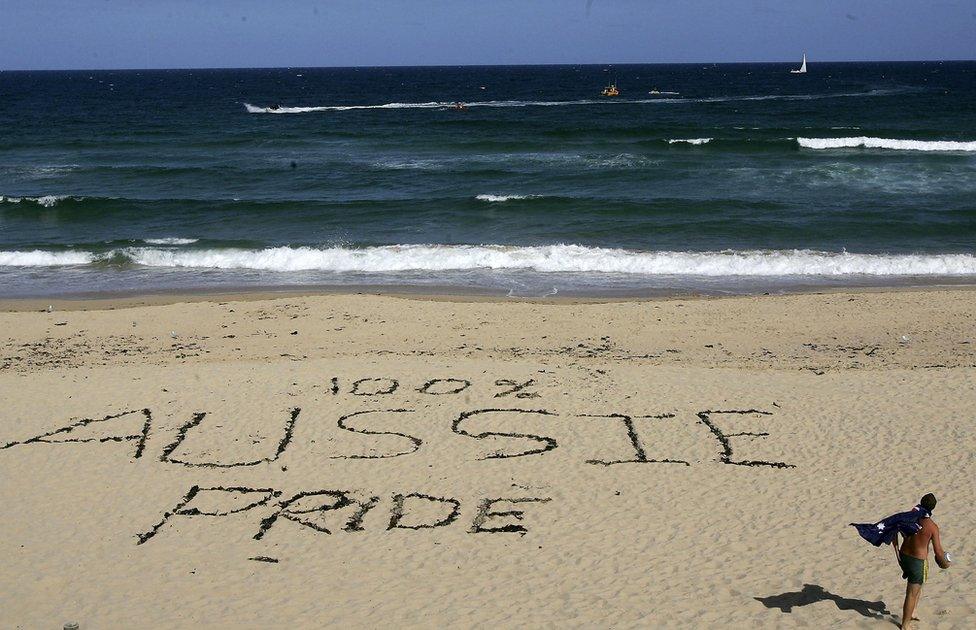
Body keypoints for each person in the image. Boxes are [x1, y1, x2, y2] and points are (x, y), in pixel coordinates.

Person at [892, 493, 950, 629]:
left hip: (904, 556)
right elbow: (938, 553)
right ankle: (905, 623)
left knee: (916, 586)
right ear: (933, 508)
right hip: (918, 561)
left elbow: (893, 531)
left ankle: (913, 611)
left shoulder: (909, 519)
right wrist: (946, 563)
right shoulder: (932, 527)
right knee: (912, 592)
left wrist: (897, 555)